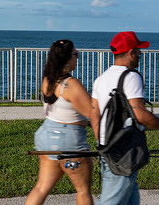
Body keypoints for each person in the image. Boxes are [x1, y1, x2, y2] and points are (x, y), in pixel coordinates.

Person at [91, 31, 159, 205]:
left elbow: (94, 114)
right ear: (131, 52)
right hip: (124, 152)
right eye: (138, 50)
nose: (141, 54)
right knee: (112, 201)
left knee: (131, 199)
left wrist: (103, 143)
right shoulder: (130, 77)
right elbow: (140, 115)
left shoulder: (101, 79)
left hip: (107, 151)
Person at [26, 40, 94, 205]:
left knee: (41, 187)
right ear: (66, 58)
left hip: (47, 137)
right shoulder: (71, 85)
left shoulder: (47, 79)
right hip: (69, 141)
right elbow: (92, 112)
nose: (77, 58)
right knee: (83, 190)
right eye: (75, 54)